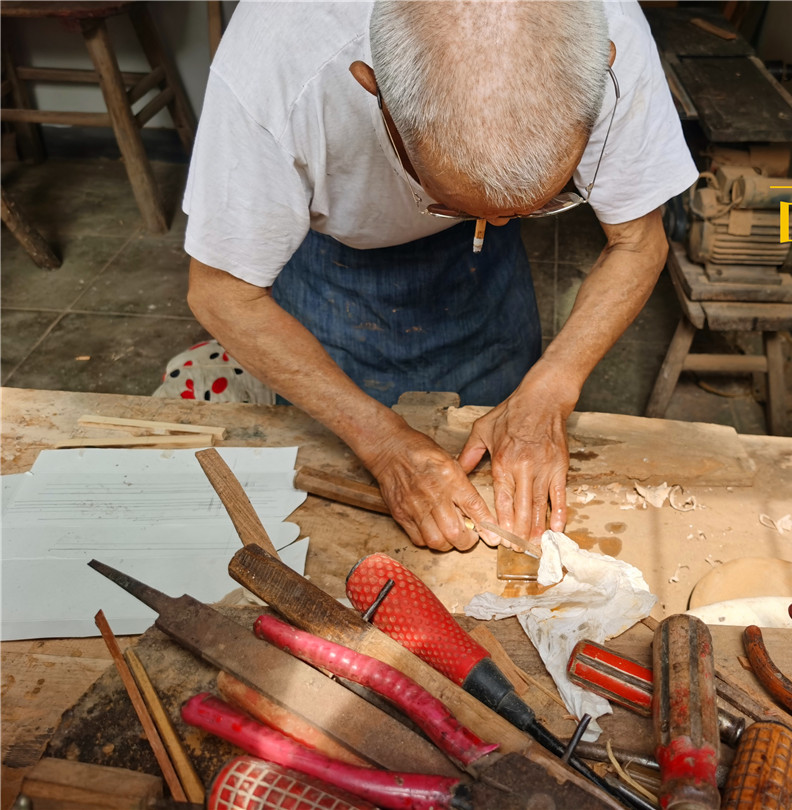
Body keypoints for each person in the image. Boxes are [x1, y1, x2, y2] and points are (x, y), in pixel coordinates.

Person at [183, 0, 697, 553]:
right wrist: (379, 441)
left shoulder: (610, 27)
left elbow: (638, 241)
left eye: (523, 210)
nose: (495, 222)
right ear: (372, 89)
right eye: (453, 203)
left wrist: (552, 386)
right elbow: (223, 293)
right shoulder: (279, 64)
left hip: (485, 279)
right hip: (334, 267)